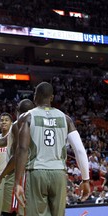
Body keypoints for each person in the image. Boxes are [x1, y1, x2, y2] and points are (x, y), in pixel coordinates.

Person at [14, 82, 90, 216]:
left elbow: (22, 149)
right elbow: (79, 151)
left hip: (36, 172)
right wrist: (85, 180)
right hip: (59, 174)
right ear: (52, 97)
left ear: (35, 97)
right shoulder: (66, 119)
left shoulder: (27, 117)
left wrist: (17, 182)